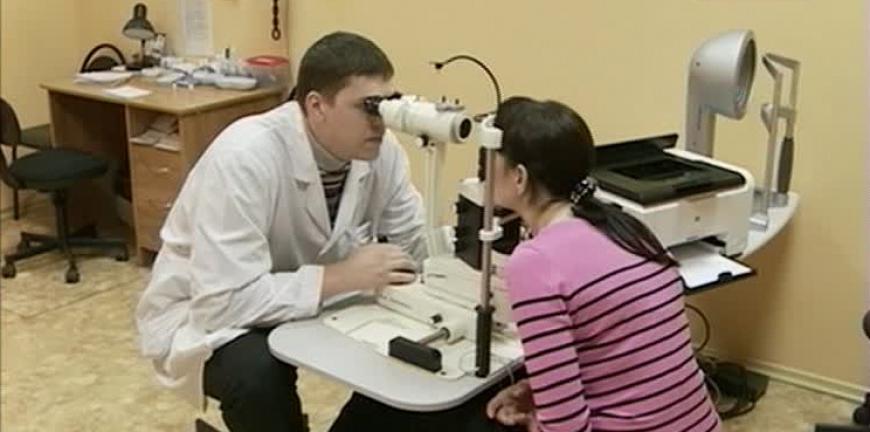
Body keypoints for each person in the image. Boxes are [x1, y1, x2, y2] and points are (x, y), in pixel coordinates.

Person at [135, 31, 426, 432]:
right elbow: (223, 303)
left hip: (302, 294)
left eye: (388, 105)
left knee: (410, 353)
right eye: (368, 107)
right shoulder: (246, 156)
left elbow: (413, 245)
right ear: (317, 106)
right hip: (208, 314)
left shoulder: (382, 151)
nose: (381, 121)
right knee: (259, 374)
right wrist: (341, 276)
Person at [483, 97, 722, 432]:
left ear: (519, 178)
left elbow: (565, 428)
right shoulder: (629, 229)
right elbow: (627, 363)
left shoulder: (535, 262)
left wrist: (541, 416)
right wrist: (540, 391)